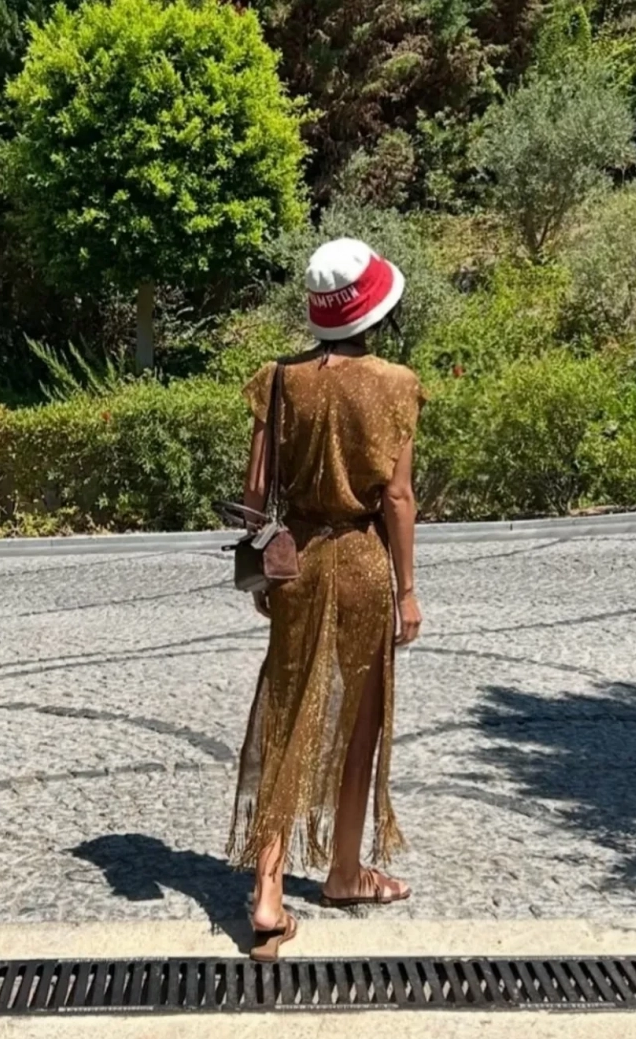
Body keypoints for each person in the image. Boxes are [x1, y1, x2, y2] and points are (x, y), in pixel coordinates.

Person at [227, 237, 425, 961]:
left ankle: (268, 890)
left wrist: (263, 571)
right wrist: (408, 591)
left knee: (285, 717)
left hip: (298, 565)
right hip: (365, 562)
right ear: (375, 310)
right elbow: (397, 497)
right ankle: (344, 871)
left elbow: (256, 491)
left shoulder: (278, 380)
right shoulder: (396, 383)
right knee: (360, 723)